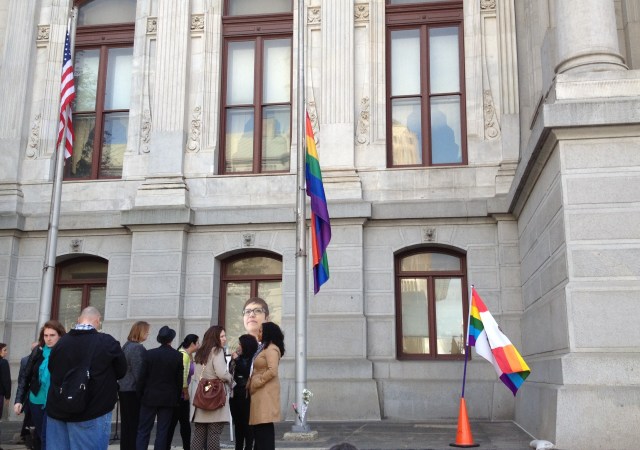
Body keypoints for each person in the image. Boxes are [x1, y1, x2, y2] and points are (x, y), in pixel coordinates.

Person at [46, 306, 127, 450]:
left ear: (78, 320)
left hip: (58, 410)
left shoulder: (61, 343)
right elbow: (121, 371)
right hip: (92, 411)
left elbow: (52, 369)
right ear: (98, 321)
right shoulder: (106, 342)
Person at [14, 321, 66, 450]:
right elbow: (26, 376)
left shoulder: (65, 351)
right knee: (41, 435)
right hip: (36, 399)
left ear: (60, 335)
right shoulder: (38, 350)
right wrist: (19, 400)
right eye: (45, 335)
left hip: (55, 401)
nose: (48, 339)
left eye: (52, 335)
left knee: (50, 436)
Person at [136, 326, 183, 450]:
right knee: (162, 431)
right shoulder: (177, 356)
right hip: (168, 398)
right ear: (171, 339)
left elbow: (142, 377)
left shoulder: (149, 354)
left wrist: (140, 394)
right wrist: (177, 398)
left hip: (149, 397)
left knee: (143, 430)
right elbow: (179, 381)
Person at [191, 326, 233, 450]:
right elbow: (221, 373)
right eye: (222, 336)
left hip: (201, 397)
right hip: (215, 397)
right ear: (215, 337)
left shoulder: (200, 352)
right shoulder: (217, 351)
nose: (225, 339)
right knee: (214, 434)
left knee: (199, 434)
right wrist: (230, 377)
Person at [248, 322, 285, 450]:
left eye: (260, 331)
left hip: (265, 392)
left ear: (268, 333)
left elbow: (272, 370)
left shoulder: (271, 349)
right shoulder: (263, 348)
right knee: (259, 429)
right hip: (260, 392)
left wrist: (258, 381)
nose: (258, 333)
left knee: (264, 428)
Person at [118, 321, 150, 450]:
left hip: (124, 389)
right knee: (134, 425)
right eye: (147, 332)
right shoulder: (137, 348)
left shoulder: (126, 345)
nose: (148, 334)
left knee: (126, 425)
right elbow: (139, 373)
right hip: (132, 391)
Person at [167, 334, 199, 450]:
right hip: (180, 395)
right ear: (192, 344)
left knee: (177, 423)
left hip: (178, 394)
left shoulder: (187, 355)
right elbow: (183, 377)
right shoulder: (184, 355)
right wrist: (185, 393)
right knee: (182, 424)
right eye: (198, 342)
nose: (199, 345)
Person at [229, 334, 258, 450]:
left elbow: (247, 372)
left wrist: (237, 359)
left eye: (241, 344)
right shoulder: (239, 357)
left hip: (246, 394)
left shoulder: (253, 358)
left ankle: (249, 447)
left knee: (247, 424)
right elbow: (231, 373)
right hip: (235, 393)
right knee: (238, 424)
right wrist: (233, 361)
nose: (238, 346)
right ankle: (238, 447)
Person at [16, 342, 38, 449]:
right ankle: (28, 436)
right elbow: (22, 378)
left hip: (36, 394)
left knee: (31, 417)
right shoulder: (25, 360)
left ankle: (28, 435)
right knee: (29, 416)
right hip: (30, 393)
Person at [0, 343, 11, 449]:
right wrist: (8, 396)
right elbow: (6, 380)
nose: (6, 352)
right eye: (4, 350)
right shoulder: (3, 363)